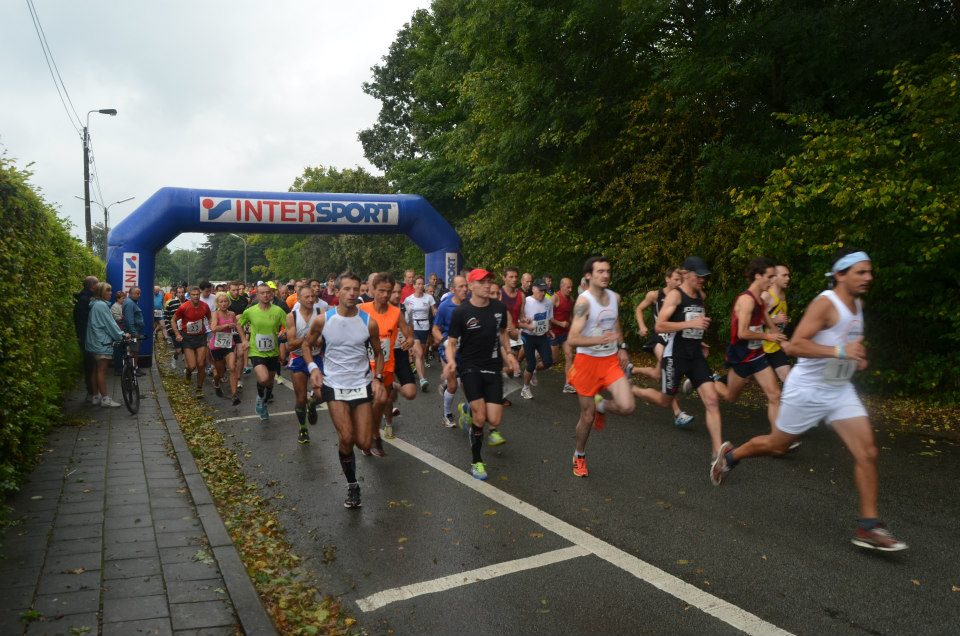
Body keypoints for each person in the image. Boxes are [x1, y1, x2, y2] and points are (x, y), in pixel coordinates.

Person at [710, 250, 907, 552]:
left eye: (869, 272)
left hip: (839, 388)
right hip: (808, 389)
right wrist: (842, 354)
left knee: (867, 451)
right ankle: (731, 457)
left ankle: (869, 527)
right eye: (861, 272)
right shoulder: (826, 303)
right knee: (778, 445)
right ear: (840, 274)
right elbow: (798, 345)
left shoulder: (857, 305)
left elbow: (847, 344)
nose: (868, 277)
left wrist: (858, 357)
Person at [305, 272, 386, 509]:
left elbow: (379, 353)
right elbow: (306, 346)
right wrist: (312, 369)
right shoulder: (323, 320)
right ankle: (352, 485)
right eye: (347, 289)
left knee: (363, 443)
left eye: (355, 289)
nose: (352, 293)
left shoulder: (368, 322)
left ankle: (314, 399)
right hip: (334, 384)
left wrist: (378, 378)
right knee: (347, 437)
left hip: (360, 384)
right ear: (337, 292)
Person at [446, 269, 519, 481]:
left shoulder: (499, 307)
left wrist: (510, 356)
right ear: (471, 286)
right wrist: (451, 361)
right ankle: (476, 461)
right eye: (482, 282)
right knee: (481, 417)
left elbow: (503, 333)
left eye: (489, 282)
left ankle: (467, 408)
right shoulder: (461, 312)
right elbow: (451, 341)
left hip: (493, 366)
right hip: (470, 367)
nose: (487, 285)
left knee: (494, 418)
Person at [656, 257, 726, 476]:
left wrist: (699, 338)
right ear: (686, 274)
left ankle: (717, 455)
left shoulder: (700, 297)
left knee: (712, 399)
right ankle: (634, 390)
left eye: (704, 277)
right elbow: (660, 325)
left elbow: (693, 325)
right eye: (698, 276)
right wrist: (691, 324)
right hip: (675, 357)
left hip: (694, 355)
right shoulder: (676, 295)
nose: (702, 280)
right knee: (664, 400)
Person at [566, 257, 635, 477]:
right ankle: (579, 455)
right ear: (589, 275)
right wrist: (600, 341)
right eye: (600, 271)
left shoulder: (615, 297)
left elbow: (614, 322)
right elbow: (573, 339)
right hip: (587, 363)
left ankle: (602, 406)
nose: (605, 275)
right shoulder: (583, 303)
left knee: (627, 406)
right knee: (587, 416)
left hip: (609, 361)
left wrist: (621, 346)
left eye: (608, 271)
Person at [713, 258, 788, 433]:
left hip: (757, 355)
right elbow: (743, 333)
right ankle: (708, 381)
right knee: (730, 397)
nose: (772, 281)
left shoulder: (761, 299)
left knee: (775, 395)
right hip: (740, 355)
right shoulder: (746, 300)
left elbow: (766, 320)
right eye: (769, 277)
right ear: (757, 276)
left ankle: (778, 438)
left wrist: (779, 337)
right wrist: (768, 336)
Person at [360, 273, 420, 447]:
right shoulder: (362, 309)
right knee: (372, 401)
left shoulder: (396, 312)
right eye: (382, 291)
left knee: (383, 400)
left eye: (389, 291)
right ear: (372, 290)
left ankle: (379, 428)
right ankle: (369, 435)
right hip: (365, 365)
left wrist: (408, 341)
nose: (386, 295)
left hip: (386, 363)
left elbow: (408, 334)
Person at [631, 267, 694, 427]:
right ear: (667, 279)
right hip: (659, 339)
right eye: (676, 279)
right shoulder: (655, 295)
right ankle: (678, 413)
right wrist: (642, 326)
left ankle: (631, 371)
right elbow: (639, 309)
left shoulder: (682, 297)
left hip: (675, 340)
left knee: (657, 374)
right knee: (668, 368)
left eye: (681, 280)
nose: (679, 282)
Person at [237, 283, 288, 421]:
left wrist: (285, 333)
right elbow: (239, 324)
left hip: (273, 351)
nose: (265, 295)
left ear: (271, 294)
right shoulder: (250, 311)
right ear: (257, 295)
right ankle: (260, 398)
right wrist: (244, 340)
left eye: (268, 293)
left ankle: (264, 404)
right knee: (264, 378)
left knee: (270, 382)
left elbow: (289, 325)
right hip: (256, 351)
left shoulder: (278, 311)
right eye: (262, 293)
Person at [285, 285, 326, 443]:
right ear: (299, 298)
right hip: (299, 358)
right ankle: (303, 428)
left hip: (316, 357)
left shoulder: (320, 313)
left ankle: (313, 403)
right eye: (306, 297)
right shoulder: (292, 316)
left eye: (312, 297)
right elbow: (290, 344)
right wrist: (309, 340)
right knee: (300, 398)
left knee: (322, 394)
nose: (310, 299)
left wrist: (320, 339)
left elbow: (326, 336)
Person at [433, 275, 468, 427]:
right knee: (453, 385)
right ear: (453, 289)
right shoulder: (445, 306)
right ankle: (447, 414)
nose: (465, 289)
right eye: (461, 287)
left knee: (468, 385)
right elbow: (435, 329)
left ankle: (467, 410)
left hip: (466, 351)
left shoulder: (470, 305)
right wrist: (444, 341)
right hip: (448, 349)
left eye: (466, 286)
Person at [85, 282, 125, 408]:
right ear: (101, 293)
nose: (110, 293)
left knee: (95, 370)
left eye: (110, 290)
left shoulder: (94, 304)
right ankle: (105, 399)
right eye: (107, 291)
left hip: (93, 341)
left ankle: (96, 396)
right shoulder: (102, 306)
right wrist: (122, 335)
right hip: (101, 342)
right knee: (102, 371)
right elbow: (110, 324)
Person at [171, 286, 212, 397]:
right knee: (192, 365)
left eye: (197, 294)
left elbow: (210, 317)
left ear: (200, 294)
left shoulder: (205, 306)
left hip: (200, 337)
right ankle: (188, 373)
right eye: (193, 295)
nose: (196, 296)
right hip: (188, 338)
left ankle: (199, 388)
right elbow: (173, 320)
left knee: (201, 364)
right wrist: (177, 334)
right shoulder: (184, 307)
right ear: (189, 295)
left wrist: (212, 327)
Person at [518, 279, 554, 399]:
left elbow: (548, 319)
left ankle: (534, 371)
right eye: (540, 290)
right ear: (533, 289)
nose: (542, 293)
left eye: (544, 290)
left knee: (549, 362)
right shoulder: (526, 301)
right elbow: (517, 318)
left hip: (542, 336)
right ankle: (525, 388)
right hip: (528, 336)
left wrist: (549, 330)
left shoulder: (548, 302)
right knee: (531, 363)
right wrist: (524, 321)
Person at [403, 275, 436, 392]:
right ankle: (422, 379)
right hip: (413, 327)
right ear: (414, 285)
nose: (420, 286)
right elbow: (406, 316)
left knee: (421, 354)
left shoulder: (429, 298)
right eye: (418, 284)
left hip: (425, 327)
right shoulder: (408, 299)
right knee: (419, 352)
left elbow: (434, 312)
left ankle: (419, 373)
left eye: (422, 284)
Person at [762, 264, 793, 381]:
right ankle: (719, 381)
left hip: (775, 346)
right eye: (784, 275)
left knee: (788, 379)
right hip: (760, 348)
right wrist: (775, 320)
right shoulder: (767, 295)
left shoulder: (782, 296)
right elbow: (751, 320)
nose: (788, 278)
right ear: (774, 278)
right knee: (743, 379)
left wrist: (783, 322)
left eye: (788, 275)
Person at [208, 292, 240, 403]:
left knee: (232, 367)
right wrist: (226, 325)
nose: (223, 304)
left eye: (225, 301)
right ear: (217, 303)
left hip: (229, 344)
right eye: (221, 301)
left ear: (228, 302)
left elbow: (237, 326)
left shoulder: (232, 314)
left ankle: (234, 394)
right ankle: (216, 383)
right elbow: (213, 328)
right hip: (216, 346)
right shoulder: (215, 314)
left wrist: (243, 339)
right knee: (220, 373)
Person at [74, 275, 99, 402]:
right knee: (90, 364)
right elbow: (86, 321)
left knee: (91, 364)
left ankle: (93, 392)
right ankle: (91, 393)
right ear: (92, 286)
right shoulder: (86, 300)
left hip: (84, 336)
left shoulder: (83, 298)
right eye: (97, 284)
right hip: (87, 337)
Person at [550, 277, 576, 393]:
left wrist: (573, 327)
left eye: (571, 287)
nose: (570, 289)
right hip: (554, 334)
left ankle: (567, 384)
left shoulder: (571, 299)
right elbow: (547, 317)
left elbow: (570, 315)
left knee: (569, 356)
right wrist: (560, 323)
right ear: (561, 287)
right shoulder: (555, 298)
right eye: (568, 287)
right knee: (553, 360)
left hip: (565, 333)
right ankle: (534, 367)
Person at [122, 286, 146, 376]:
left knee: (135, 351)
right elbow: (129, 320)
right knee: (133, 351)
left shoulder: (132, 302)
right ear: (130, 293)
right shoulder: (129, 303)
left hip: (135, 331)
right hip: (132, 332)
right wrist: (134, 333)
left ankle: (135, 368)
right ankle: (133, 370)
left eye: (140, 293)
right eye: (137, 293)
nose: (139, 295)